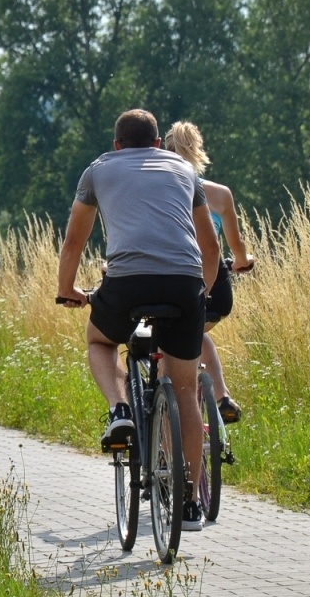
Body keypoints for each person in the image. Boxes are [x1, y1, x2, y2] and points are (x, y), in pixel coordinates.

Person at [57, 109, 220, 532]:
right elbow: (211, 248)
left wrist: (68, 289)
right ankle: (188, 506)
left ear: (117, 145)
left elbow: (75, 239)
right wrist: (199, 290)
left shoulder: (98, 171)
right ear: (157, 144)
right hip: (184, 284)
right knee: (185, 391)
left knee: (100, 341)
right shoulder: (186, 172)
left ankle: (119, 409)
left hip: (126, 282)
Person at [164, 121, 255, 422]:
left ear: (165, 151)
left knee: (169, 344)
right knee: (197, 332)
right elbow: (236, 247)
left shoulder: (159, 193)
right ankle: (222, 395)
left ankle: (165, 429)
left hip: (173, 281)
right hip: (215, 289)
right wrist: (242, 261)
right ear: (198, 151)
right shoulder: (220, 195)